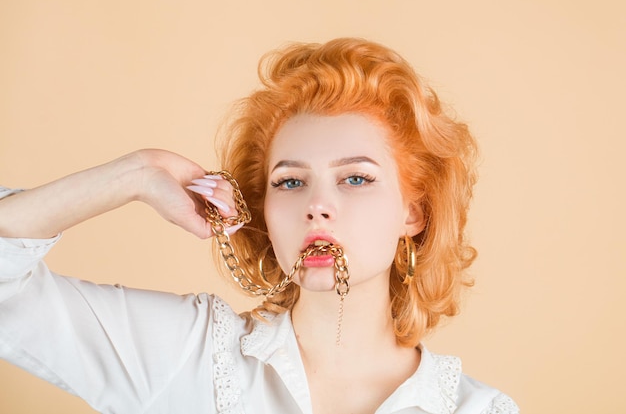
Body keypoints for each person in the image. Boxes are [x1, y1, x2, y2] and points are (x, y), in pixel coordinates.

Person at [0, 38, 519, 413]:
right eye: (290, 182)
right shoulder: (190, 354)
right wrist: (134, 173)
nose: (318, 206)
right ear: (262, 210)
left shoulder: (476, 409)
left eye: (356, 179)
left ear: (414, 212)